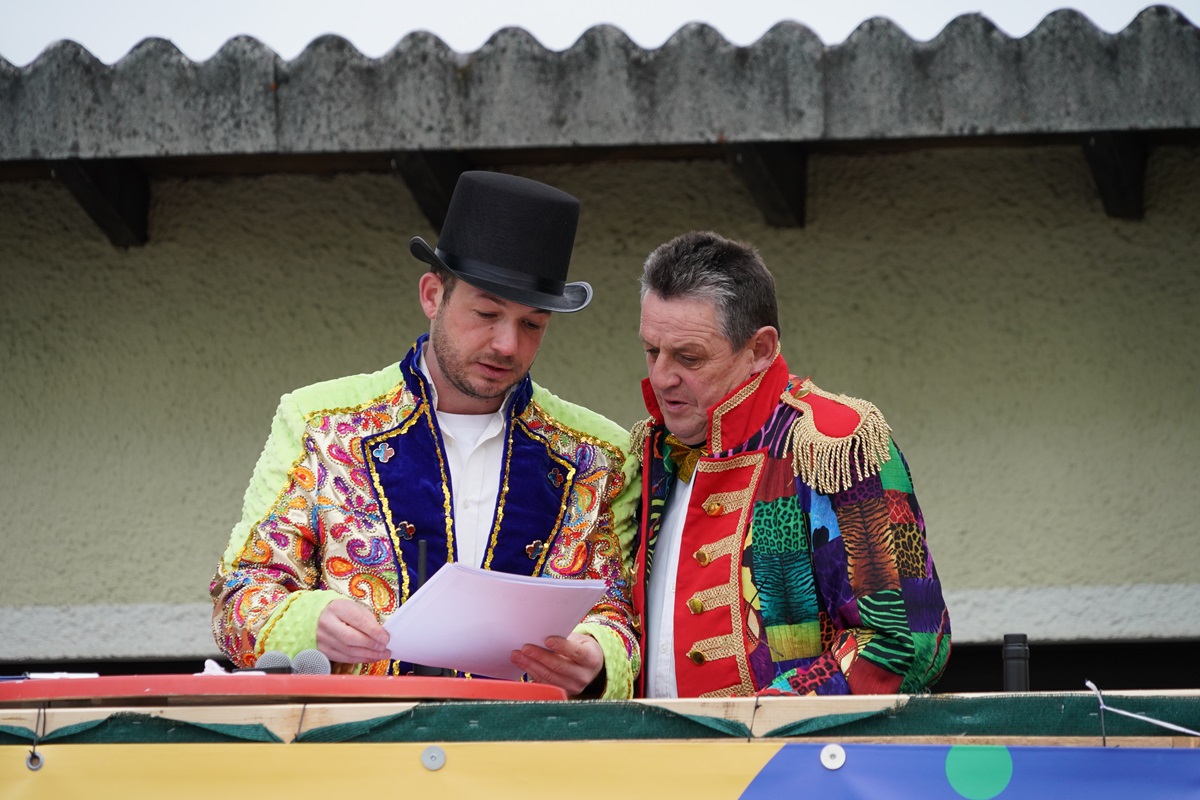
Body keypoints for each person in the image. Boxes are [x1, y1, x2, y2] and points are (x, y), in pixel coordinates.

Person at [211, 171, 640, 698]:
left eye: (533, 324)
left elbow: (620, 611)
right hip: (361, 739)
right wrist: (308, 620)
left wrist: (599, 660)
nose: (507, 344)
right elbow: (240, 595)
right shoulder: (319, 422)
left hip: (529, 740)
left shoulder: (601, 452)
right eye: (487, 313)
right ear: (433, 295)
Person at [630, 231, 950, 698]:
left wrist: (766, 719)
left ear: (760, 350)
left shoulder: (834, 446)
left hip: (786, 745)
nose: (660, 377)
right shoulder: (647, 452)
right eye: (651, 350)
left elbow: (903, 639)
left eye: (689, 358)